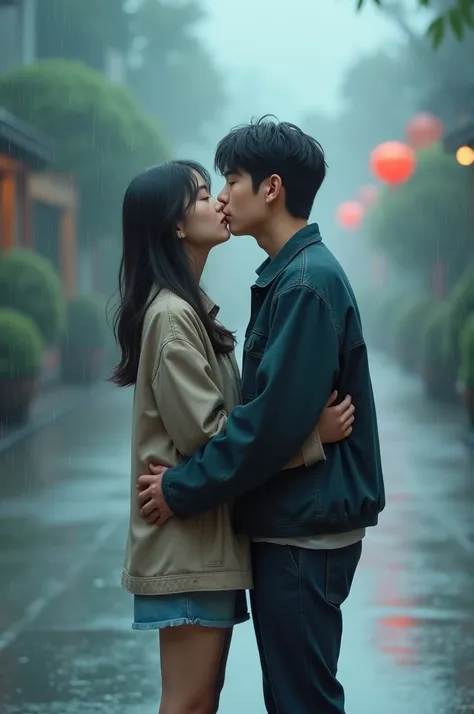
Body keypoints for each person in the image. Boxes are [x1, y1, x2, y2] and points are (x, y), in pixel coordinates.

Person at [137, 118, 386, 714]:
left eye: (231, 179)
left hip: (304, 526)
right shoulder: (295, 277)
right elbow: (271, 420)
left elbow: (261, 429)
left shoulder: (305, 283)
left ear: (271, 188)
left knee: (302, 700)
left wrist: (181, 489)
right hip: (296, 521)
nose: (222, 195)